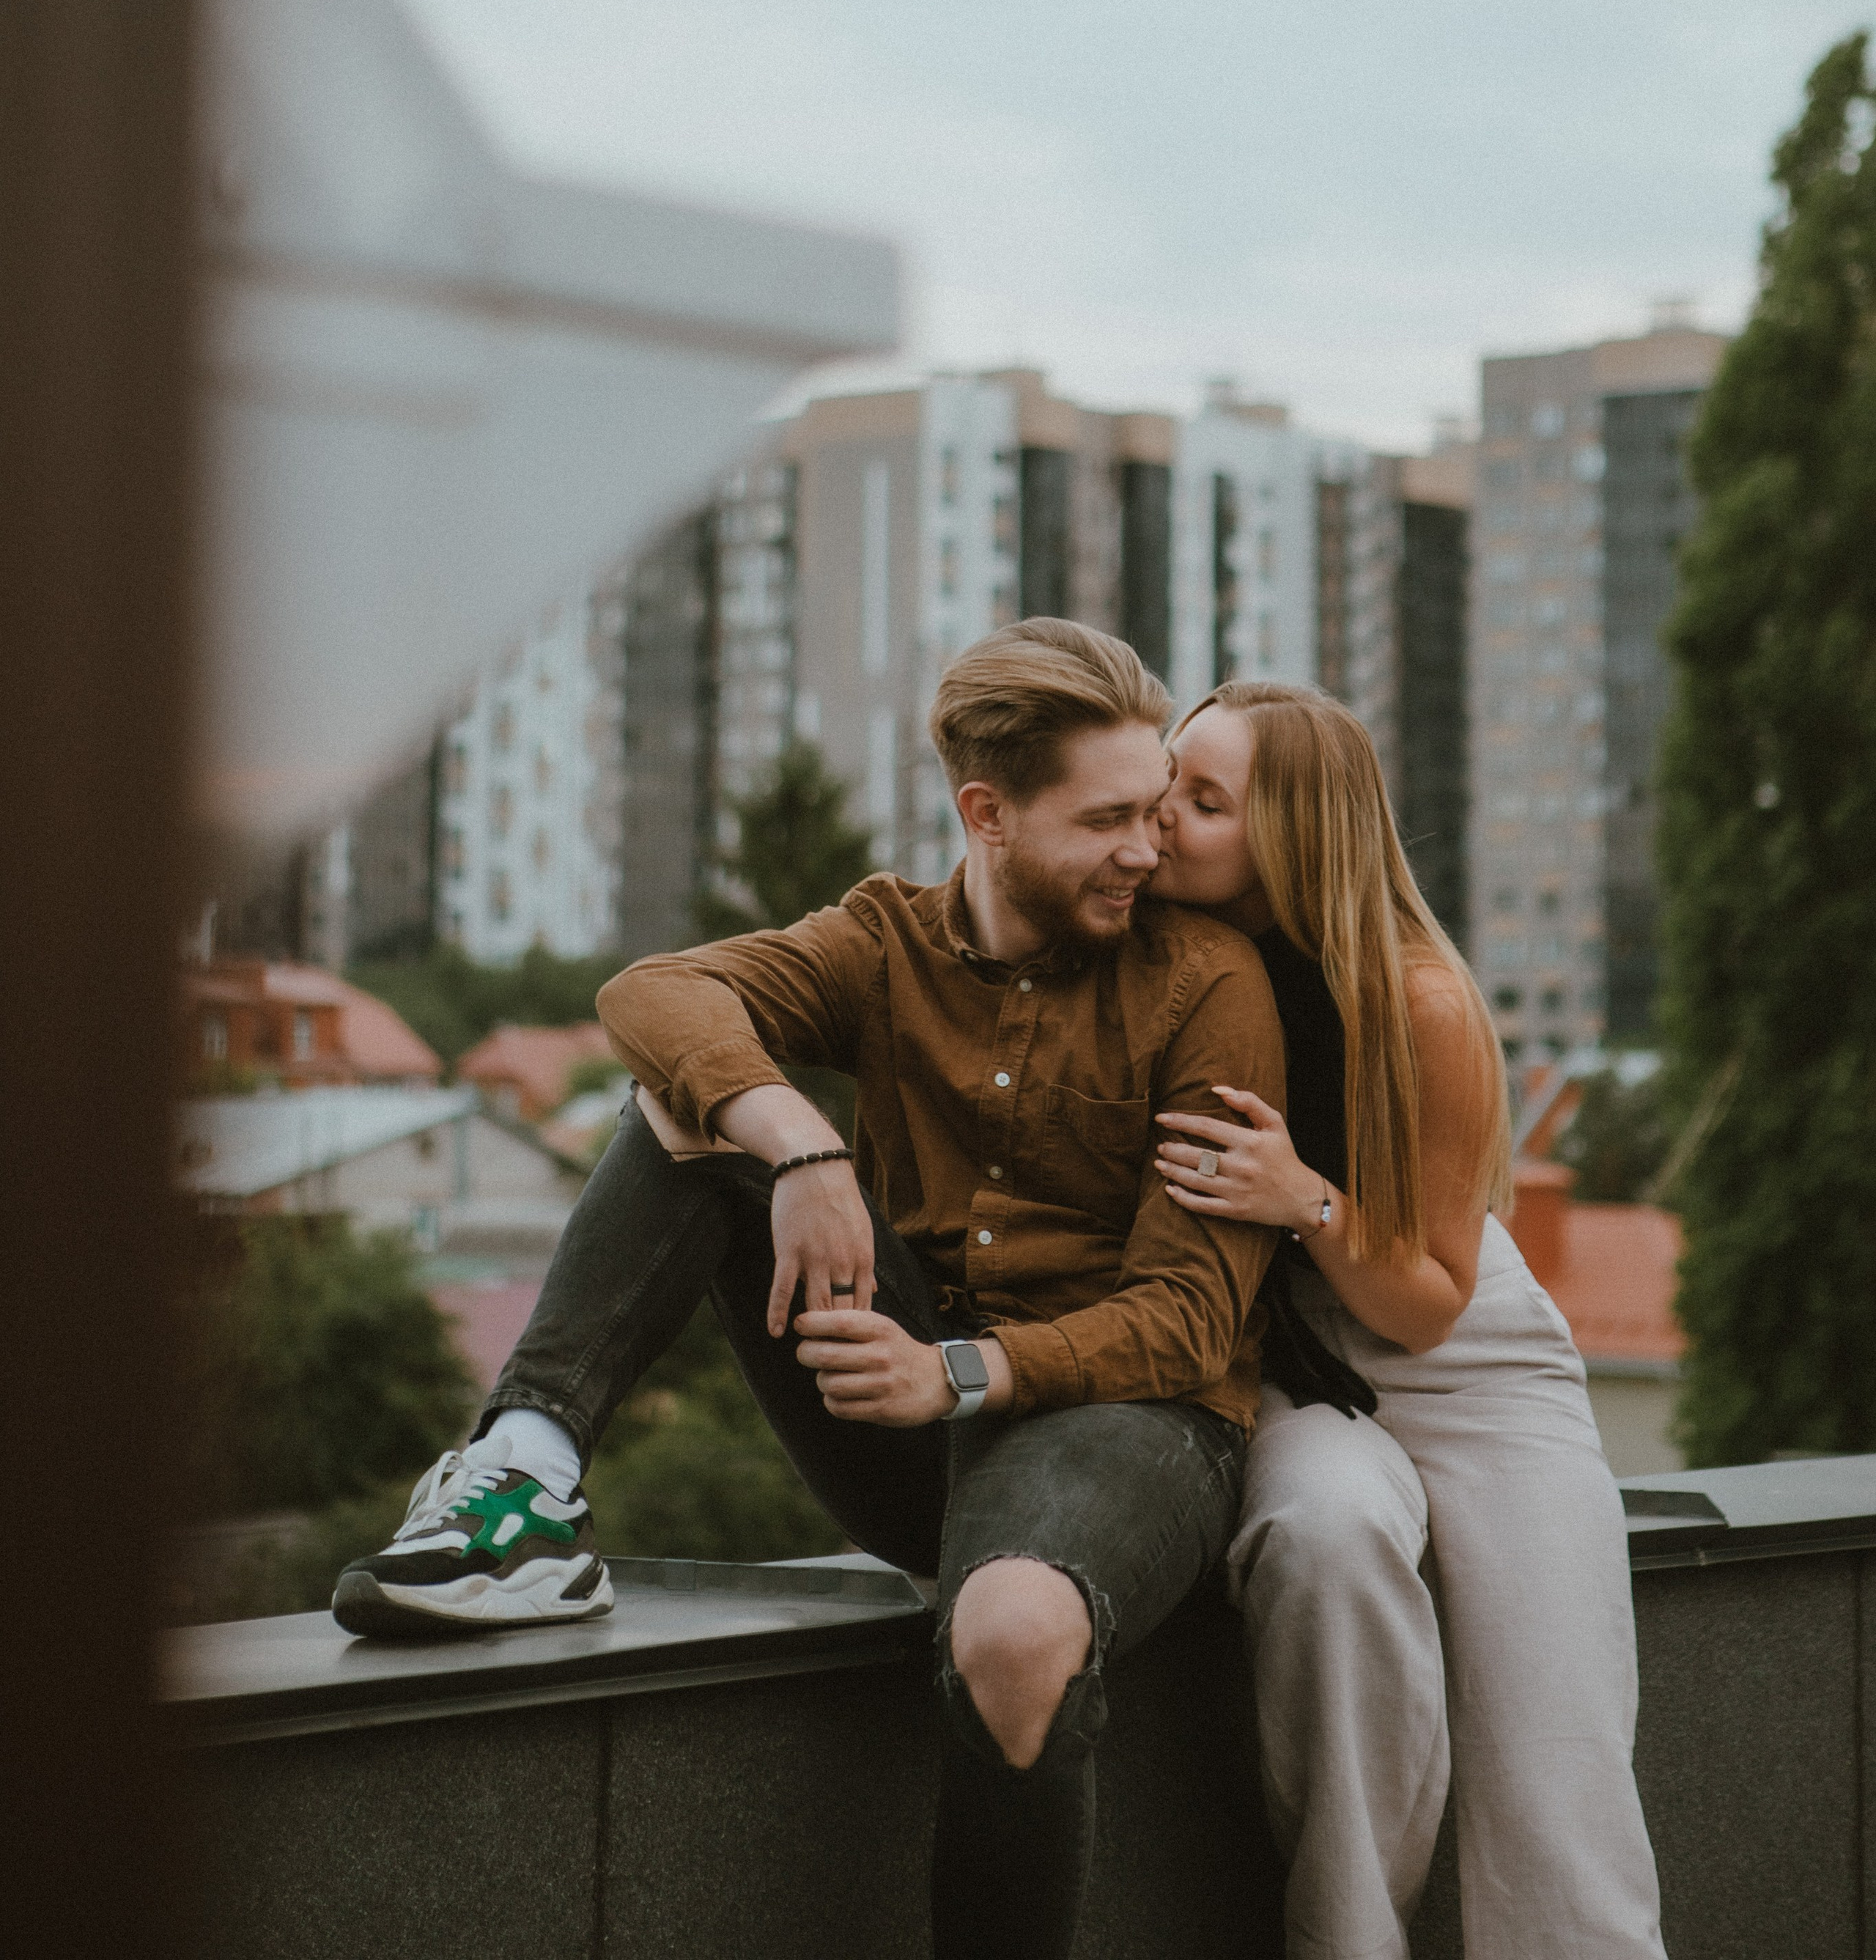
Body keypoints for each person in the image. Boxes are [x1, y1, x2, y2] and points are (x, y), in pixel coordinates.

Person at [333, 619, 1288, 1960]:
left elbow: (1192, 1319)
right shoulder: (884, 940)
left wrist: (958, 1373)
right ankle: (524, 1479)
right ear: (988, 814)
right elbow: (655, 991)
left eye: (1158, 810)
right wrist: (804, 1141)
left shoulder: (1205, 980)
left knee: (1012, 1633)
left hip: (1135, 1428)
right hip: (908, 1424)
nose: (1150, 849)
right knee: (696, 1105)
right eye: (1111, 816)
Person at [1149, 680, 1668, 1960]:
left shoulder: (1419, 1002)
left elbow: (1429, 1304)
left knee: (1559, 1753)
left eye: (1203, 801)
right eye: (1168, 777)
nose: (1162, 816)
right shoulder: (1166, 956)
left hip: (1464, 1353)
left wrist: (1304, 1198)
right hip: (1298, 1367)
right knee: (1323, 1540)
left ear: (1294, 837)